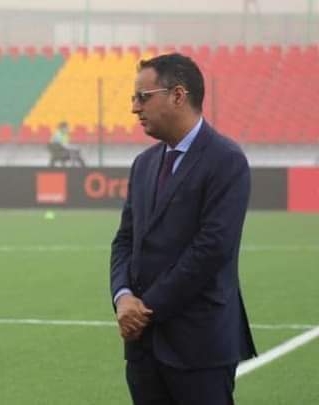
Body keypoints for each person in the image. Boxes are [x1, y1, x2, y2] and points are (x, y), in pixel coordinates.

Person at [110, 53, 256, 405]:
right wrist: (123, 296)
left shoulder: (226, 160)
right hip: (143, 348)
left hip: (199, 345)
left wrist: (145, 309)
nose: (134, 107)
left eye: (143, 97)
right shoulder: (143, 164)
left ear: (178, 95)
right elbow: (125, 240)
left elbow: (211, 249)